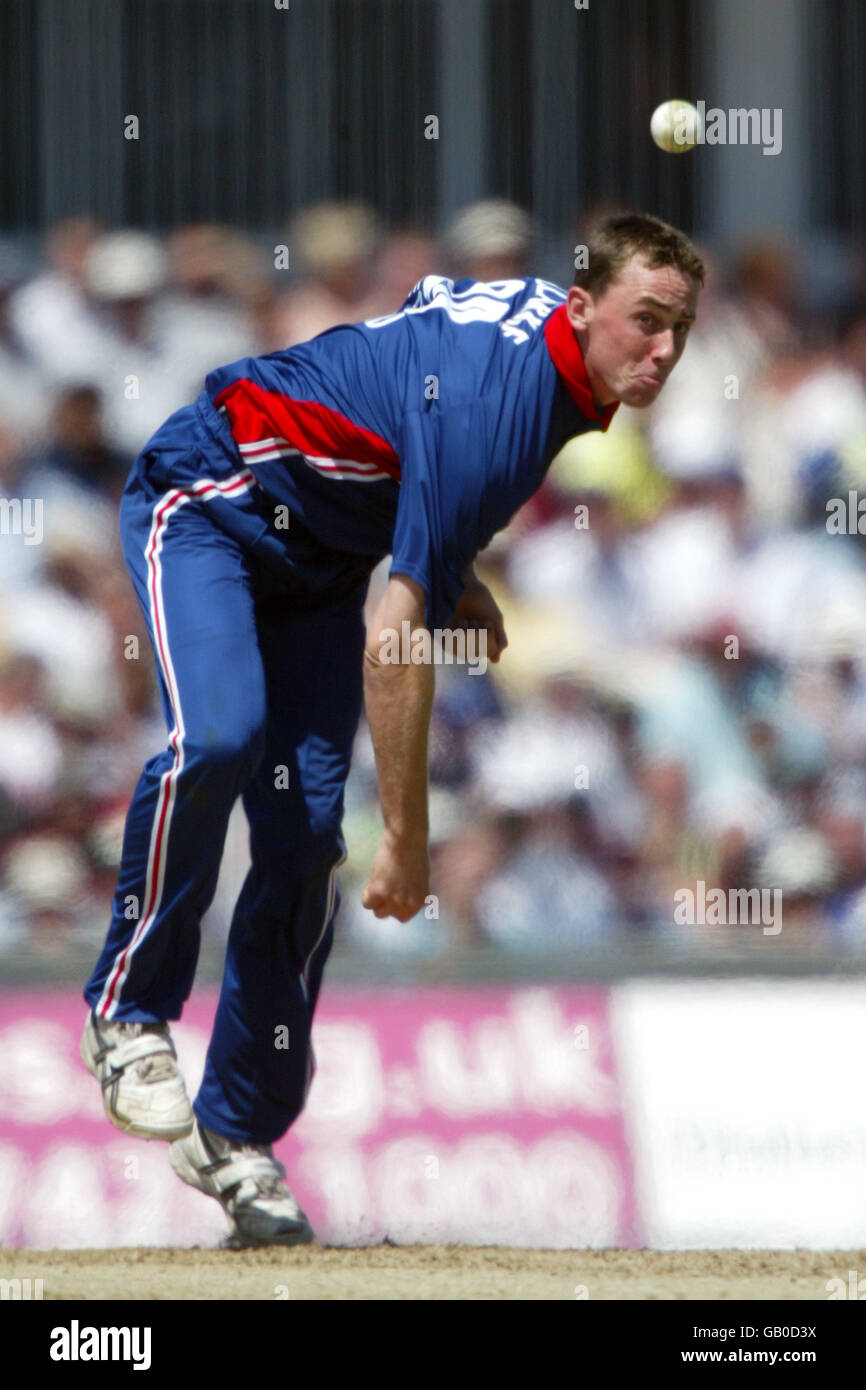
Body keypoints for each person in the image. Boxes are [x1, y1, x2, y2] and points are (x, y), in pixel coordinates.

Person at [80, 210, 703, 1247]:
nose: (665, 353)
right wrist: (410, 839)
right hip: (212, 496)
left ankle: (235, 1133)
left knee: (305, 840)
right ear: (585, 307)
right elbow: (393, 644)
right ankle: (128, 1013)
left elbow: (422, 316)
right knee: (220, 738)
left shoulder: (544, 340)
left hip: (317, 561)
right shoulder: (500, 414)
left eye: (679, 330)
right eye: (646, 323)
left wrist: (445, 566)